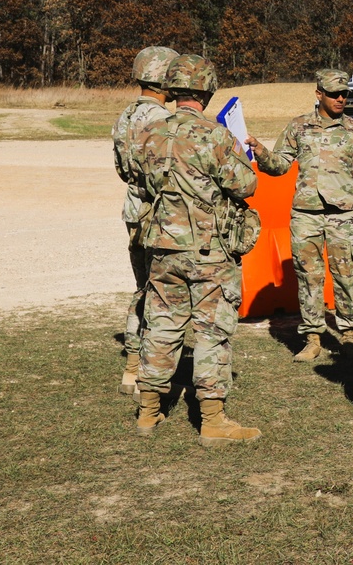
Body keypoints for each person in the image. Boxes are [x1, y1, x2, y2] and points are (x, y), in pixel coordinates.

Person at [130, 53, 262, 446]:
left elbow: (140, 182)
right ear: (207, 90)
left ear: (172, 90)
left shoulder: (149, 133)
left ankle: (148, 412)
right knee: (211, 331)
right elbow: (245, 185)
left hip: (161, 248)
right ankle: (213, 420)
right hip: (208, 251)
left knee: (162, 324)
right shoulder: (215, 135)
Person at [245, 69, 353, 363]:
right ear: (319, 93)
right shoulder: (298, 127)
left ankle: (350, 336)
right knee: (308, 278)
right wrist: (260, 151)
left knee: (347, 277)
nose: (341, 98)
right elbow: (279, 166)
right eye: (334, 93)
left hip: (343, 216)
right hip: (306, 215)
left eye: (345, 94)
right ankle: (312, 338)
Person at [111, 45, 179, 399]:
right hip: (160, 212)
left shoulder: (124, 116)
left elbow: (123, 170)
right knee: (163, 294)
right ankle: (151, 374)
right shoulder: (162, 120)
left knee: (142, 288)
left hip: (134, 209)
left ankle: (131, 369)